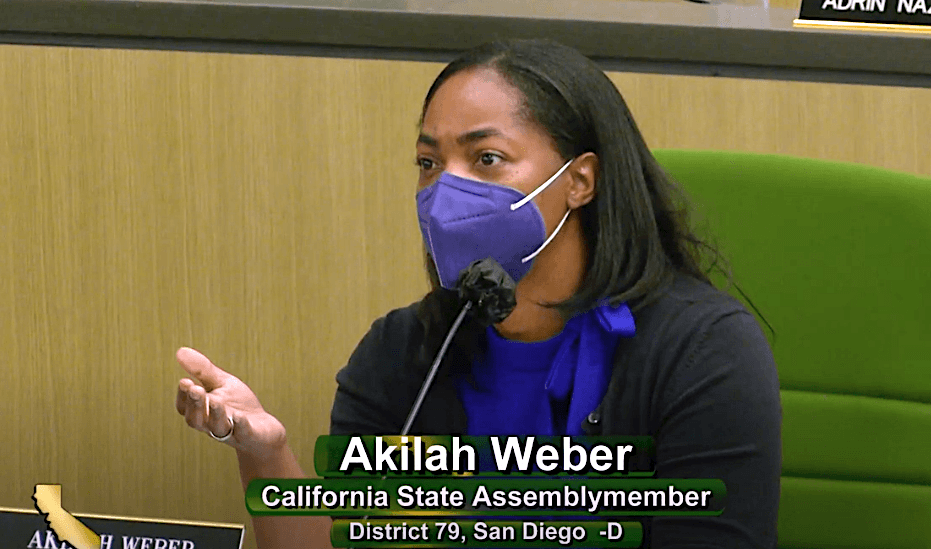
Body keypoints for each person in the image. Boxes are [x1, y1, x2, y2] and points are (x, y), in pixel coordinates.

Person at [174, 39, 781, 548]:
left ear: (579, 181)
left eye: (487, 158)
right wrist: (266, 457)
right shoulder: (403, 353)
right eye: (429, 162)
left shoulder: (702, 352)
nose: (446, 190)